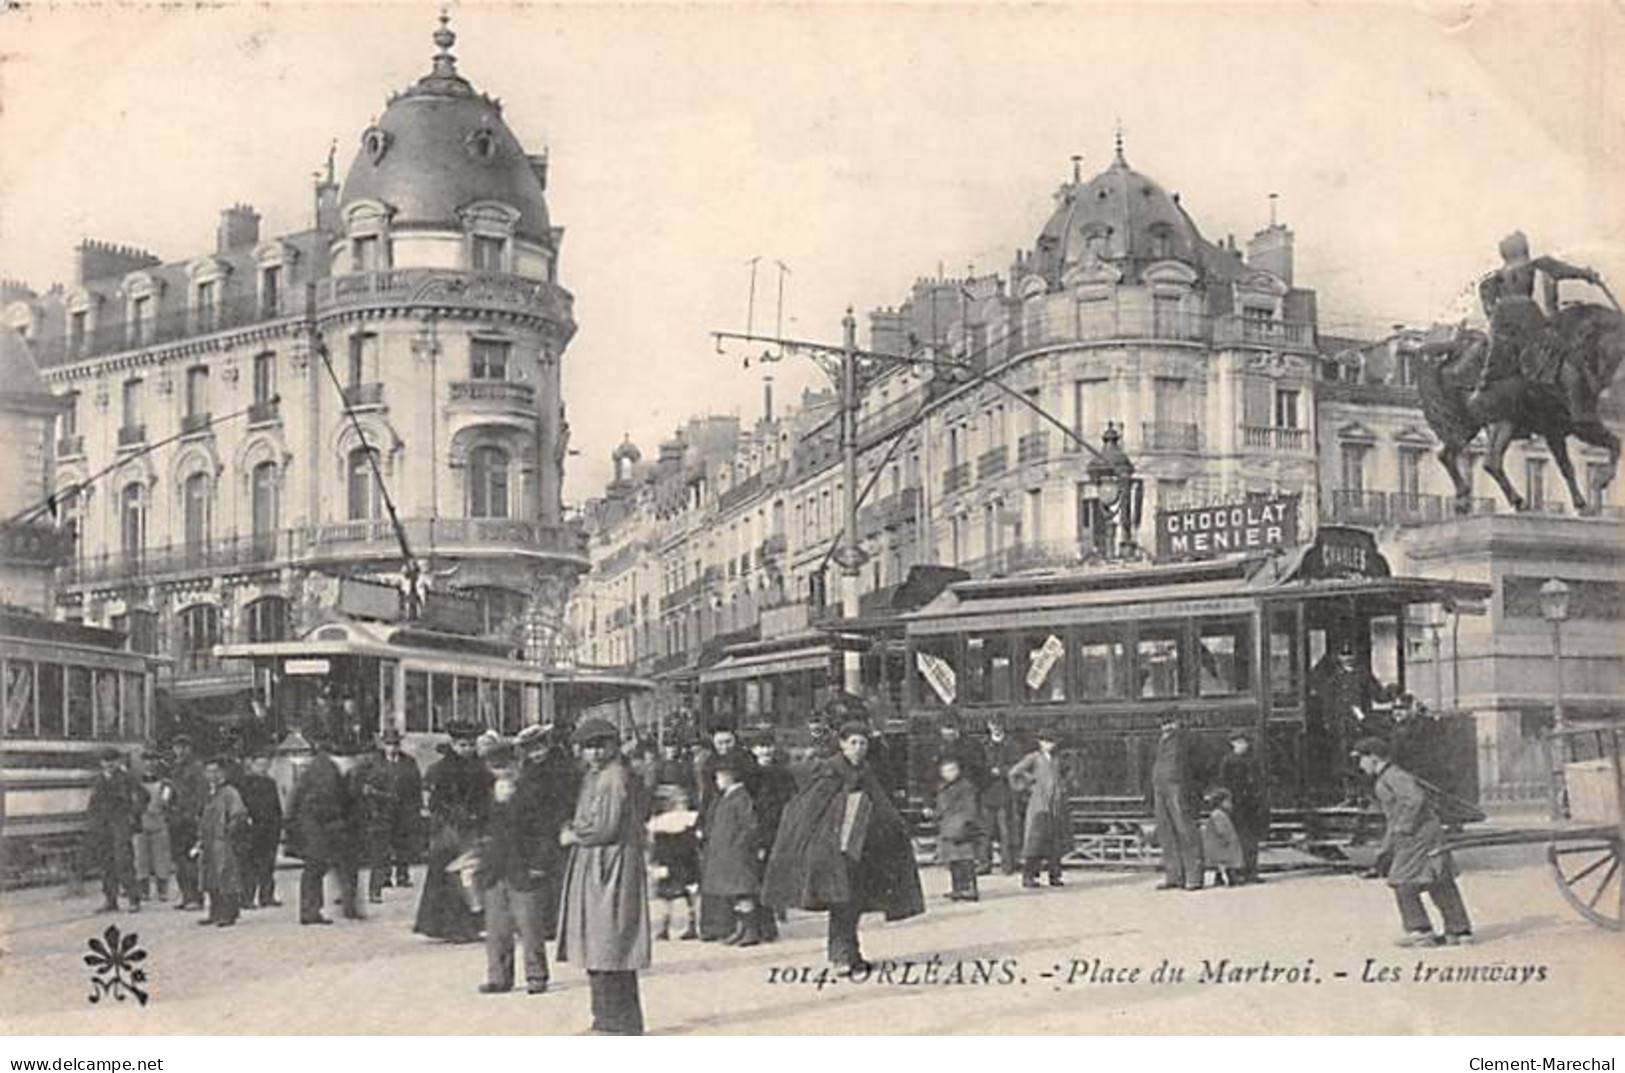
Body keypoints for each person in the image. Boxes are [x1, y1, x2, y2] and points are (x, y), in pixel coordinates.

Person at [761, 718, 925, 974]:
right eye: (853, 743)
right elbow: (810, 809)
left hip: (862, 850)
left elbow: (881, 806)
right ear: (842, 745)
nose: (859, 748)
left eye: (863, 743)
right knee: (841, 902)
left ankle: (852, 952)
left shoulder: (866, 772)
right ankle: (840, 956)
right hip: (833, 850)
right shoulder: (828, 771)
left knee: (854, 902)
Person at [556, 717, 652, 1036]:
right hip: (600, 863)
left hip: (609, 865)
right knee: (603, 943)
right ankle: (609, 1018)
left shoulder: (613, 778)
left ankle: (617, 1022)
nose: (594, 753)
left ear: (613, 745)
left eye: (600, 746)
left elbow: (605, 827)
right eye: (588, 747)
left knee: (608, 941)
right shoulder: (597, 776)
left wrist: (574, 834)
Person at [1353, 736, 1474, 947]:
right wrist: (1386, 847)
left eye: (1361, 759)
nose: (1360, 765)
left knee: (1403, 883)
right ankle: (1459, 931)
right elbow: (1395, 815)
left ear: (1373, 757)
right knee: (1438, 878)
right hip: (1422, 834)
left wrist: (1403, 827)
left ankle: (1421, 931)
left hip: (1417, 836)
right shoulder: (1389, 777)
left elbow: (1415, 799)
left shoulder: (1393, 776)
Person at [1472, 230, 1601, 414]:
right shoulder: (1536, 264)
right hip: (1527, 315)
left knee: (1498, 357)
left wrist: (1495, 320)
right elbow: (1565, 271)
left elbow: (1488, 303)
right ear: (1524, 248)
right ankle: (1575, 403)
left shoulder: (1493, 277)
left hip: (1502, 320)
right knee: (1563, 349)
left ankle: (1484, 388)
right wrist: (1588, 274)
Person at [475, 744, 554, 995]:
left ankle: (536, 975)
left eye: (506, 767)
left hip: (524, 868)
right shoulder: (488, 795)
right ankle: (499, 976)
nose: (502, 773)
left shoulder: (534, 792)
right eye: (496, 768)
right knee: (497, 928)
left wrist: (540, 864)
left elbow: (545, 832)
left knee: (530, 926)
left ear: (517, 765)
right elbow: (482, 829)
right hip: (495, 870)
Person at [415, 721, 492, 942]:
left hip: (474, 829)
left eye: (470, 745)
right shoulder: (441, 770)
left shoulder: (481, 769)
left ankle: (472, 924)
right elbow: (435, 803)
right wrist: (454, 816)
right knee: (450, 876)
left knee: (471, 875)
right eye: (462, 745)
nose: (467, 749)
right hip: (450, 830)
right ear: (454, 744)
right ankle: (449, 926)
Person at [695, 723, 760, 940]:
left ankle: (749, 929)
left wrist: (743, 843)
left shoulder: (741, 790)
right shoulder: (714, 776)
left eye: (728, 741)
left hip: (736, 849)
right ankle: (730, 929)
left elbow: (749, 822)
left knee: (742, 891)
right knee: (730, 890)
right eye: (719, 742)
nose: (724, 746)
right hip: (724, 846)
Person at [288, 734, 361, 925]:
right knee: (317, 867)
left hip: (316, 827)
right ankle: (311, 911)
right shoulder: (326, 774)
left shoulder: (323, 767)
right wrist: (338, 822)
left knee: (330, 866)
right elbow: (324, 805)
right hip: (317, 829)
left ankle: (344, 906)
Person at [1308, 638, 1382, 805]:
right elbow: (1327, 702)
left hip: (1360, 726)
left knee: (1361, 760)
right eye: (1343, 655)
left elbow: (1378, 694)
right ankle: (1350, 795)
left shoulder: (1363, 675)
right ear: (1339, 658)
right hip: (1341, 727)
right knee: (1343, 761)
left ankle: (1364, 796)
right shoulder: (1335, 679)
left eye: (1350, 655)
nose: (1347, 658)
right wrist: (1329, 722)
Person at [86, 748, 146, 913]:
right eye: (105, 761)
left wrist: (133, 814)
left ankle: (134, 899)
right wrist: (93, 821)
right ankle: (110, 900)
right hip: (103, 826)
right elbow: (93, 803)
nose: (109, 764)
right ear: (101, 763)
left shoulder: (127, 778)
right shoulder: (98, 780)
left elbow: (143, 795)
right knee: (106, 862)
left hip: (121, 823)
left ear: (118, 762)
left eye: (112, 760)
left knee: (123, 861)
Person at [1009, 727, 1067, 888]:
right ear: (1040, 742)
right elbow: (1014, 772)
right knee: (1036, 841)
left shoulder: (1057, 759)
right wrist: (1029, 784)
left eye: (1052, 741)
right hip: (1039, 804)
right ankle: (1029, 876)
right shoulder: (1033, 758)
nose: (1050, 745)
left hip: (1055, 803)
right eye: (1046, 741)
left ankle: (1054, 875)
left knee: (1054, 841)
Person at [195, 757, 249, 927]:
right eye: (209, 771)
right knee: (209, 875)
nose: (212, 775)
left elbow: (239, 815)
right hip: (208, 839)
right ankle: (214, 911)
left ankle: (229, 912)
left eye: (215, 771)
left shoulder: (230, 792)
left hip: (223, 840)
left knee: (226, 874)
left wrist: (229, 831)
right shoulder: (207, 793)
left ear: (223, 772)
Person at [1151, 713, 1203, 891]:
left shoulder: (1187, 739)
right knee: (1167, 832)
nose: (1166, 727)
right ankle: (1174, 876)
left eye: (1170, 722)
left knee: (1185, 830)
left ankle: (1193, 877)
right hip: (1161, 787)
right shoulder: (1161, 740)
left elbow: (1197, 765)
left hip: (1179, 787)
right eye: (1164, 723)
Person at [647, 786, 700, 941]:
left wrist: (653, 862)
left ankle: (666, 926)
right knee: (686, 892)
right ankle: (691, 923)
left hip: (669, 861)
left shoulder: (657, 822)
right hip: (684, 860)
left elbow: (653, 846)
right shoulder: (689, 819)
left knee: (667, 894)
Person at [236, 750, 283, 908]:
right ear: (252, 764)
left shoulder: (270, 783)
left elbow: (276, 807)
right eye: (260, 765)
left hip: (269, 829)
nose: (263, 768)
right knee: (249, 865)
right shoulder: (244, 784)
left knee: (268, 865)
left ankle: (266, 896)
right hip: (252, 829)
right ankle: (247, 897)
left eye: (266, 765)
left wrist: (278, 826)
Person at [1218, 730, 1266, 884]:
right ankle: (1237, 872)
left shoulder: (1252, 760)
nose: (1242, 745)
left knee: (1251, 839)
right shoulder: (1228, 761)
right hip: (1236, 804)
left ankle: (1251, 871)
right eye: (1239, 742)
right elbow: (1224, 784)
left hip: (1250, 803)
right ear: (1233, 744)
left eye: (1244, 742)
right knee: (1236, 838)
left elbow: (1258, 781)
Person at [166, 734, 207, 911]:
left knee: (191, 859)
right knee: (179, 860)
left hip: (189, 819)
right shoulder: (174, 769)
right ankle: (186, 895)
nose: (180, 751)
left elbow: (201, 794)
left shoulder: (196, 768)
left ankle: (195, 897)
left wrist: (195, 813)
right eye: (177, 747)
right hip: (176, 819)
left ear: (189, 748)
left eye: (183, 747)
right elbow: (169, 793)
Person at [933, 756, 981, 902]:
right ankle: (957, 888)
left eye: (953, 769)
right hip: (948, 827)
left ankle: (970, 889)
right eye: (946, 770)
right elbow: (941, 806)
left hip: (962, 827)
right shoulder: (942, 787)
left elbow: (970, 806)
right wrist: (935, 814)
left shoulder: (966, 786)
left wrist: (966, 822)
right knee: (953, 860)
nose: (950, 773)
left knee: (966, 859)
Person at [978, 718, 1022, 875]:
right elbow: (977, 765)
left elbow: (1017, 766)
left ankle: (1008, 864)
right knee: (985, 831)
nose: (995, 728)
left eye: (998, 725)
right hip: (986, 792)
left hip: (1005, 792)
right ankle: (984, 864)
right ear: (988, 726)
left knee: (1006, 830)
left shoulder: (1012, 745)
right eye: (992, 725)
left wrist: (1002, 771)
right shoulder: (982, 746)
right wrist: (986, 773)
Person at [131, 752, 173, 904]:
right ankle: (144, 890)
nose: (149, 764)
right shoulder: (135, 783)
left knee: (161, 857)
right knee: (141, 858)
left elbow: (166, 801)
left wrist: (161, 809)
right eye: (146, 761)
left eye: (153, 760)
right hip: (140, 822)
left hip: (159, 822)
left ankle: (162, 890)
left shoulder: (165, 783)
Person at [1199, 788, 1245, 888]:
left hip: (1221, 843)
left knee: (1222, 865)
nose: (1230, 804)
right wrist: (1227, 838)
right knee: (1227, 863)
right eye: (1228, 801)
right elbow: (1222, 829)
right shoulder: (1218, 815)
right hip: (1222, 844)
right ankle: (1232, 878)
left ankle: (1220, 878)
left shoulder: (1221, 814)